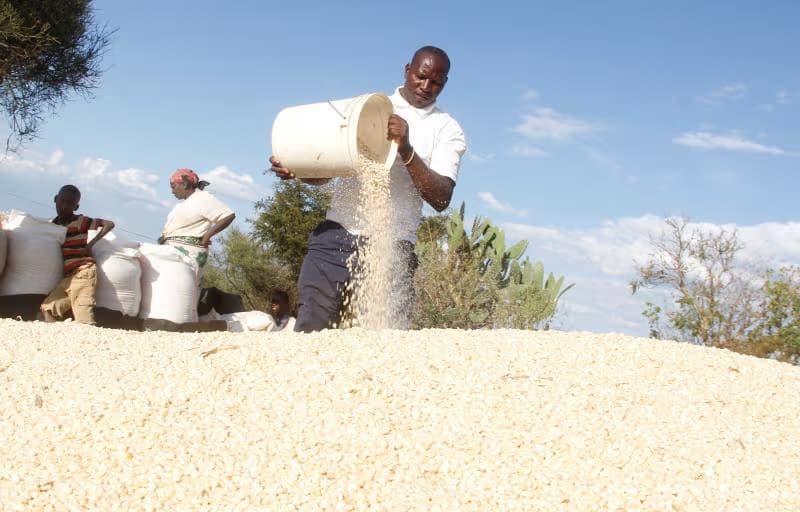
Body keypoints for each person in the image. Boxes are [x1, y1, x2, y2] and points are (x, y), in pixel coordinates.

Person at [270, 45, 467, 332]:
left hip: (392, 247)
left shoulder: (447, 129)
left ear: (445, 83)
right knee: (311, 328)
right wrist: (299, 170)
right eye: (421, 76)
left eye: (436, 82)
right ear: (407, 70)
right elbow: (328, 169)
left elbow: (441, 198)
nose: (426, 86)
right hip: (336, 237)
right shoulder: (367, 108)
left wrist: (406, 149)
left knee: (383, 336)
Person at [40, 184, 115, 325]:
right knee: (48, 309)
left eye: (70, 203)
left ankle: (90, 338)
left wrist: (90, 245)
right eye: (62, 201)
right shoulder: (54, 225)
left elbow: (109, 224)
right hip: (68, 278)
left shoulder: (80, 221)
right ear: (55, 199)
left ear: (76, 207)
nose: (64, 206)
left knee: (83, 319)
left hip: (83, 274)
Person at [158, 168, 235, 277]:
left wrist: (206, 236)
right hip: (173, 252)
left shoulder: (203, 198)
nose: (172, 191)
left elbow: (228, 215)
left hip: (188, 254)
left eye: (173, 186)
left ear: (184, 184)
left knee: (181, 282)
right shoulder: (183, 204)